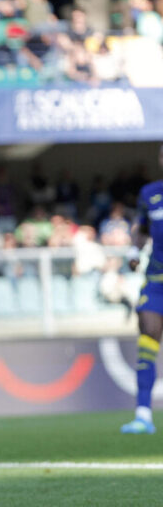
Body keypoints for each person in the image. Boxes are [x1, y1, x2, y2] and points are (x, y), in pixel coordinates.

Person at [121, 144, 163, 435]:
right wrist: (133, 251)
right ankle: (143, 415)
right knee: (147, 333)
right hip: (157, 281)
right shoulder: (150, 193)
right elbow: (142, 229)